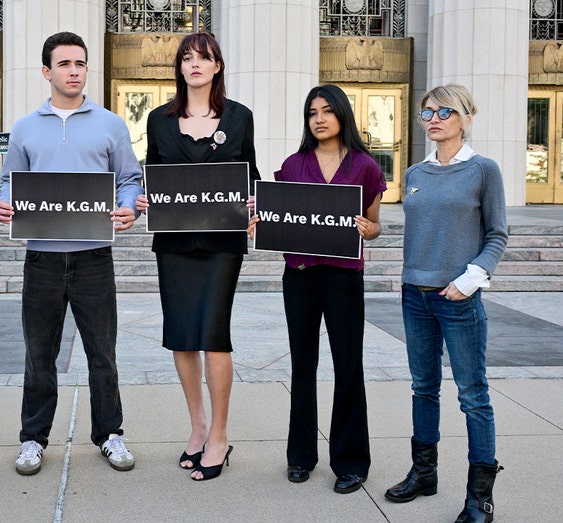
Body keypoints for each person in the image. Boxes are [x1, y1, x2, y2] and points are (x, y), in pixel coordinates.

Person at [0, 31, 143, 475]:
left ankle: (110, 434)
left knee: (103, 353)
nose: (74, 71)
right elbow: (9, 181)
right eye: (64, 64)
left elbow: (129, 179)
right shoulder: (25, 127)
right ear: (47, 71)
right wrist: (5, 202)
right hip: (41, 257)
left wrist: (129, 206)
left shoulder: (111, 124)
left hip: (94, 256)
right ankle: (33, 438)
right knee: (39, 355)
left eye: (80, 63)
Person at [134, 32, 259, 481]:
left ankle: (220, 436)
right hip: (174, 243)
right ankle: (198, 427)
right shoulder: (159, 119)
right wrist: (145, 199)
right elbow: (153, 174)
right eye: (187, 58)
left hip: (222, 244)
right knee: (182, 337)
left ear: (217, 66)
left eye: (203, 58)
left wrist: (255, 203)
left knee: (214, 335)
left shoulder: (239, 117)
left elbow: (251, 175)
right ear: (180, 67)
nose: (194, 64)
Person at [248, 84, 385, 493]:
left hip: (344, 277)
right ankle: (301, 456)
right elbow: (280, 217)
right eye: (312, 113)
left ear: (342, 114)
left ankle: (351, 462)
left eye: (327, 110)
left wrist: (370, 230)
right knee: (302, 365)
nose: (319, 119)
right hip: (301, 275)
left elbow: (375, 224)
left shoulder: (364, 166)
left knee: (348, 366)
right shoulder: (293, 164)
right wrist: (261, 225)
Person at [384, 84, 507, 523]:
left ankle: (480, 497)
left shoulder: (483, 170)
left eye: (444, 112)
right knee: (423, 388)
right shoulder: (415, 173)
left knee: (473, 396)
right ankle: (424, 473)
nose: (434, 119)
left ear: (466, 118)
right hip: (414, 296)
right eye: (427, 112)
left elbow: (497, 235)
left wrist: (470, 280)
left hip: (459, 300)